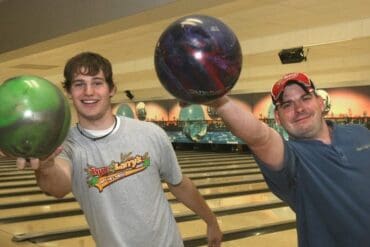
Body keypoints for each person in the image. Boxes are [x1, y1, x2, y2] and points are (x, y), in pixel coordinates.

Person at [3, 52, 222, 247]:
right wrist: (46, 165)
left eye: (97, 82)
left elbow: (179, 184)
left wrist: (211, 220)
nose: (89, 91)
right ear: (69, 92)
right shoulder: (67, 143)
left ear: (112, 89)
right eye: (79, 84)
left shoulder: (150, 133)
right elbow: (58, 188)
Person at [208, 72, 370, 247]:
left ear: (321, 103)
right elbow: (260, 137)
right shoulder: (292, 158)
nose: (299, 109)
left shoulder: (359, 132)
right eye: (287, 105)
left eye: (305, 98)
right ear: (278, 118)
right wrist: (218, 101)